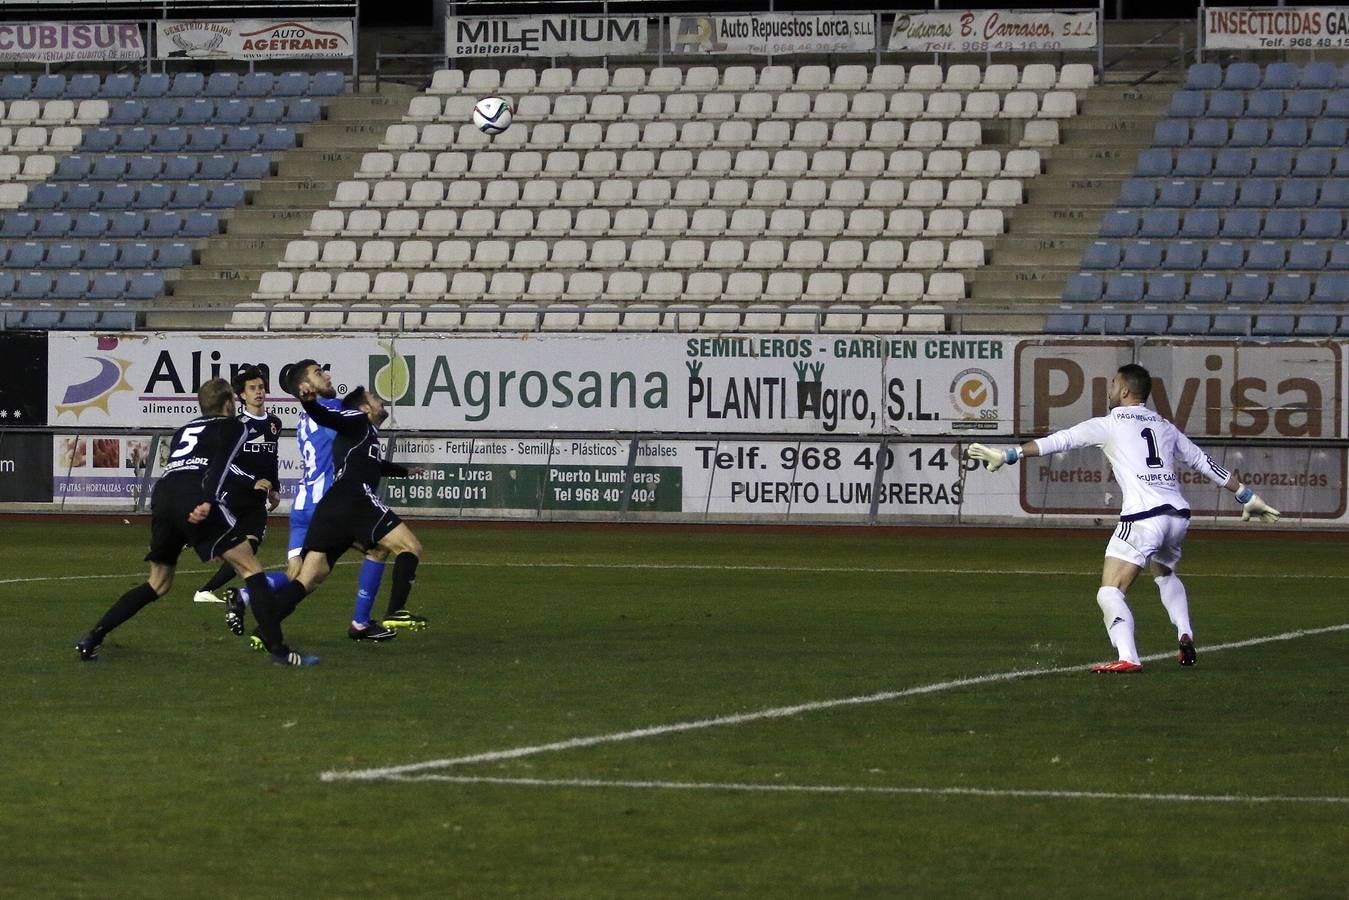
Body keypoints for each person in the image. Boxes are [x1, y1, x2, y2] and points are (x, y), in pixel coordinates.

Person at [965, 363, 1280, 674]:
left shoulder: (1110, 423)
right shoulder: (1164, 425)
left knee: (1110, 590)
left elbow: (1061, 440)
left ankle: (1128, 656)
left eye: (1113, 383)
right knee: (1165, 573)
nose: (1110, 387)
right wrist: (1246, 495)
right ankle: (1185, 632)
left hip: (1144, 517)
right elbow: (1202, 460)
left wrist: (1010, 455)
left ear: (1125, 390)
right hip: (1177, 516)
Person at [75, 378, 317, 667]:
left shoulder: (185, 429)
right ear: (230, 403)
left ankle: (93, 636)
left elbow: (183, 466)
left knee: (158, 583)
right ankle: (278, 649)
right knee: (250, 568)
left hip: (163, 496)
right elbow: (220, 465)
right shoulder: (234, 425)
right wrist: (206, 501)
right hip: (195, 495)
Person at [226, 362, 428, 645]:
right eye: (319, 373)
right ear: (304, 387)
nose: (328, 375)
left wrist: (399, 470)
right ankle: (370, 619)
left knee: (304, 575)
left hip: (306, 504)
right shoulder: (332, 409)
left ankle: (256, 613)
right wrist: (317, 404)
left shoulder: (303, 419)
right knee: (384, 547)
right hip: (334, 502)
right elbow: (344, 427)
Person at [192, 366, 281, 605]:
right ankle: (205, 590)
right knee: (246, 547)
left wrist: (275, 488)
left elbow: (272, 459)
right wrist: (252, 481)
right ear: (241, 395)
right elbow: (227, 463)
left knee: (248, 547)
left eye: (261, 387)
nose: (258, 392)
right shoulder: (236, 425)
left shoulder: (274, 423)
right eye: (252, 388)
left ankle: (206, 590)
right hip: (235, 494)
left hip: (258, 498)